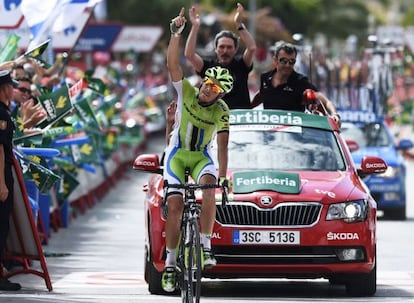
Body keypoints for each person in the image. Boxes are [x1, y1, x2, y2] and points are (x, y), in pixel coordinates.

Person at [161, 8, 232, 293]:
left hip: (202, 156)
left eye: (215, 89)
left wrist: (224, 176)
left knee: (210, 187)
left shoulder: (222, 111)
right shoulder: (187, 91)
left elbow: (223, 146)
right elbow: (172, 65)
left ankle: (205, 246)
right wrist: (176, 34)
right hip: (177, 155)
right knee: (176, 206)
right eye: (207, 83)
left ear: (220, 95)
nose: (208, 89)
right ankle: (169, 264)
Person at [250, 41, 341, 126]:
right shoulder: (265, 78)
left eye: (291, 62)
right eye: (283, 61)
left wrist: (334, 114)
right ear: (275, 60)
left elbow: (324, 99)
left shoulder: (300, 81)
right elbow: (262, 95)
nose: (287, 65)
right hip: (269, 133)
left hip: (293, 136)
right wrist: (247, 109)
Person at [184, 3, 256, 109]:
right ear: (216, 49)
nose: (225, 51)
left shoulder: (242, 64)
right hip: (213, 121)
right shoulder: (207, 66)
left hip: (240, 121)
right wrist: (195, 27)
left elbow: (252, 48)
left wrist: (239, 24)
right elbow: (189, 55)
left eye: (229, 47)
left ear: (235, 49)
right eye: (221, 47)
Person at [0, 70, 21, 291]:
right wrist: (2, 184)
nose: (13, 90)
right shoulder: (1, 115)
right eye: (11, 86)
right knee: (1, 225)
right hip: (0, 175)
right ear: (4, 89)